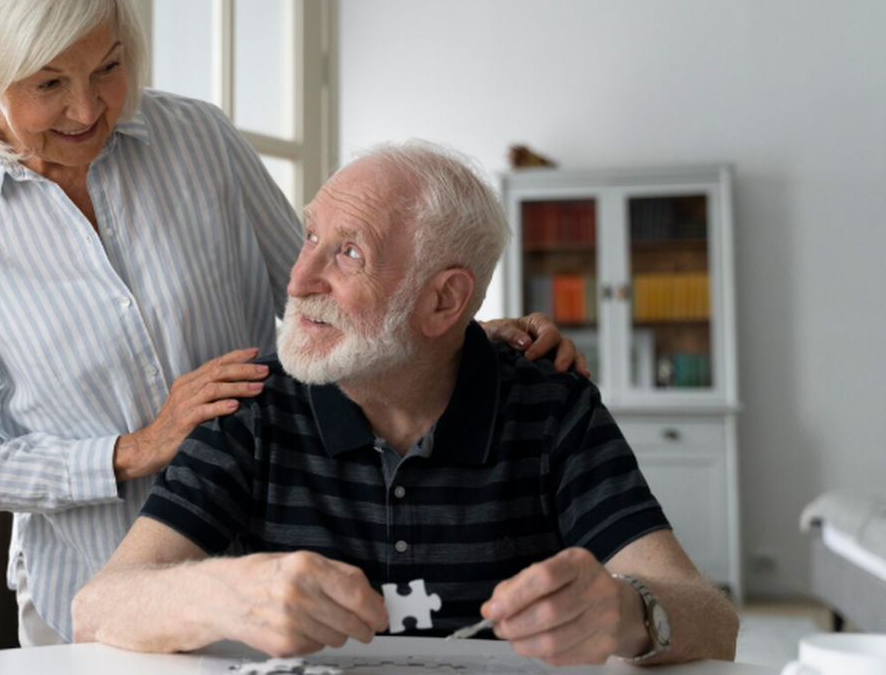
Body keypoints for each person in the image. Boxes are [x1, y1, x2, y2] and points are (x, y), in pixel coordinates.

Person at [0, 0, 583, 646]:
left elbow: (325, 298)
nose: (87, 107)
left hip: (262, 577)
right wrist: (132, 450)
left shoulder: (199, 140)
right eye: (50, 83)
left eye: (107, 66)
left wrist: (451, 337)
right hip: (82, 587)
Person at [72, 141, 739, 667]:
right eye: (310, 236)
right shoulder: (252, 403)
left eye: (349, 252)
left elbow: (713, 620)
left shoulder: (552, 403)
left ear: (445, 301)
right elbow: (98, 607)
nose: (299, 279)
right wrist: (224, 595)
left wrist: (626, 613)